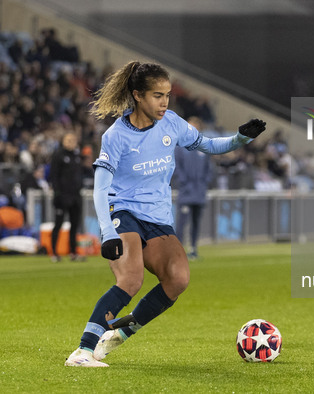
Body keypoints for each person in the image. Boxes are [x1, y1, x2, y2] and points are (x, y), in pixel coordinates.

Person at [65, 61, 266, 367]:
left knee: (178, 278)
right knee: (130, 279)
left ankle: (116, 337)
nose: (164, 102)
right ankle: (82, 350)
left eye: (167, 95)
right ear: (137, 95)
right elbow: (100, 187)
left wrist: (240, 139)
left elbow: (208, 145)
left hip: (158, 217)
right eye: (157, 95)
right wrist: (107, 232)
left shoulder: (172, 123)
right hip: (125, 211)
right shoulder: (116, 136)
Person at [174, 117, 212, 260]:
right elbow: (177, 167)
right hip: (186, 192)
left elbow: (209, 169)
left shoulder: (204, 147)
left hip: (199, 192)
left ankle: (193, 248)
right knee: (182, 222)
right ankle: (178, 250)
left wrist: (204, 182)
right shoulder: (180, 147)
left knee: (196, 221)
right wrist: (184, 182)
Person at [49, 132, 84, 262]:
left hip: (75, 196)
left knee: (74, 225)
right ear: (63, 141)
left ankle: (73, 252)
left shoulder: (76, 156)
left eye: (73, 140)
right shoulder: (58, 155)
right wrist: (57, 193)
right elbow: (54, 175)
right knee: (58, 224)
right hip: (62, 196)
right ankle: (54, 253)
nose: (71, 142)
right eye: (68, 140)